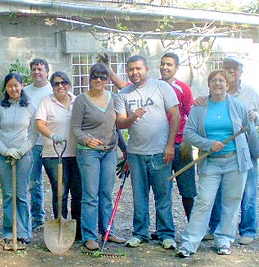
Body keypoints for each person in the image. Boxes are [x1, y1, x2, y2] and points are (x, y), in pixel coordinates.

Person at [175, 69, 259, 257]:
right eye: (214, 80)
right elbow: (189, 133)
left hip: (235, 163)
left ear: (227, 86)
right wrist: (208, 144)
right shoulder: (200, 107)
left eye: (222, 81)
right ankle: (189, 243)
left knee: (232, 202)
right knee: (204, 201)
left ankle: (224, 239)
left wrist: (256, 152)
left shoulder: (238, 106)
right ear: (209, 85)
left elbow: (251, 128)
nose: (218, 83)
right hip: (211, 162)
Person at [115, 55, 180, 249]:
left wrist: (170, 146)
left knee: (163, 195)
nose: (135, 72)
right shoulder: (123, 94)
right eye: (131, 69)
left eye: (138, 69)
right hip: (135, 153)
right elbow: (120, 123)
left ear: (146, 69)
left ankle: (166, 234)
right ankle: (140, 233)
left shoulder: (162, 87)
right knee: (139, 196)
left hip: (160, 152)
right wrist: (132, 117)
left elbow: (175, 116)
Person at [200, 57, 259, 245]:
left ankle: (247, 230)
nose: (231, 71)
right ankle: (217, 228)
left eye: (235, 68)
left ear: (241, 71)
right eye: (228, 68)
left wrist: (255, 116)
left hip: (246, 150)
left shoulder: (250, 93)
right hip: (219, 153)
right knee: (217, 192)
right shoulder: (213, 92)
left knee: (247, 193)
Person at [71, 63, 126, 251]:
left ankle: (108, 231)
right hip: (89, 153)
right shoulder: (81, 100)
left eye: (103, 77)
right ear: (90, 78)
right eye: (95, 76)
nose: (99, 80)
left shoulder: (114, 98)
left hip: (109, 151)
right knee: (90, 195)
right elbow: (75, 129)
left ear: (108, 80)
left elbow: (116, 127)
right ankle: (89, 236)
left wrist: (124, 150)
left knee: (105, 193)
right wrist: (87, 140)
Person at [0, 72, 38, 246]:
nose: (13, 88)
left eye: (16, 85)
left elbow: (34, 134)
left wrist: (21, 150)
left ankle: (23, 232)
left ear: (22, 86)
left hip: (23, 157)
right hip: (2, 157)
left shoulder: (30, 107)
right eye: (10, 86)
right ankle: (10, 231)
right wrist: (5, 150)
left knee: (22, 195)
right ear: (6, 88)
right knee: (8, 194)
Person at [35, 71, 82, 240]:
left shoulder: (77, 100)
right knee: (60, 192)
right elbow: (39, 123)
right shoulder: (46, 101)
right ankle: (59, 225)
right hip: (54, 154)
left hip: (76, 154)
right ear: (52, 86)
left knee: (78, 192)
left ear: (69, 84)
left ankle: (78, 230)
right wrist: (52, 135)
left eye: (63, 82)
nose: (60, 86)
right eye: (56, 83)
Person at [159, 53, 196, 222]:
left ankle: (194, 226)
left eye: (169, 64)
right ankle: (164, 231)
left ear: (176, 68)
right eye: (163, 64)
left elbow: (192, 116)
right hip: (159, 145)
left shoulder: (183, 88)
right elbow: (127, 85)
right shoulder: (153, 86)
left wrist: (190, 141)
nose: (165, 67)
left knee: (187, 189)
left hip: (181, 145)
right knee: (162, 190)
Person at [24, 58, 53, 230]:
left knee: (58, 183)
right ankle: (38, 217)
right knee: (34, 182)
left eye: (40, 69)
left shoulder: (53, 90)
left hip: (51, 143)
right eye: (34, 69)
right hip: (33, 143)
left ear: (47, 72)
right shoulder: (25, 91)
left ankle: (60, 217)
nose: (37, 72)